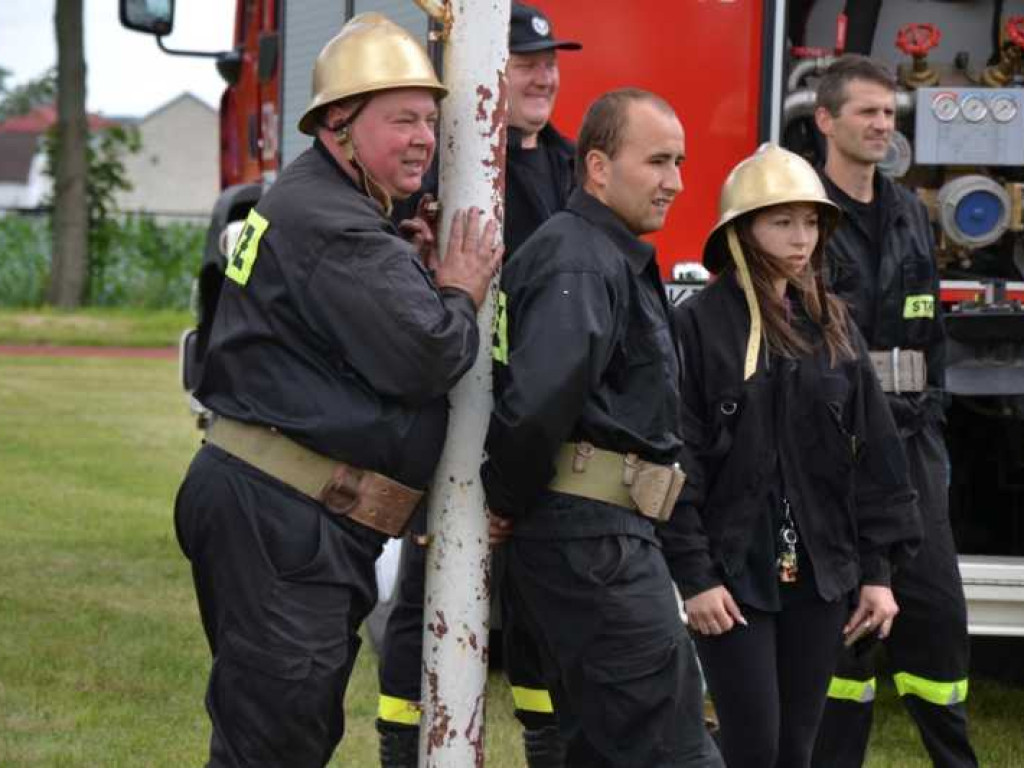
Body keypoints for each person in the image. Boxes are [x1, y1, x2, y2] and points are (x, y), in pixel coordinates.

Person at [173, 13, 501, 768]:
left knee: (282, 733)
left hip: (283, 516)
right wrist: (455, 291)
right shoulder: (334, 223)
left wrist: (409, 274)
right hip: (283, 522)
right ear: (339, 126)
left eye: (430, 118)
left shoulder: (329, 208)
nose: (424, 137)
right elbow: (427, 354)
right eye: (403, 120)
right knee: (274, 743)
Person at [481, 87, 722, 768]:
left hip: (597, 539)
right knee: (671, 749)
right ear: (596, 167)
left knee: (604, 747)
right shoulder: (580, 259)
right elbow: (538, 404)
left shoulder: (598, 253)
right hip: (593, 548)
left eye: (679, 162)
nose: (675, 182)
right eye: (656, 162)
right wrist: (502, 497)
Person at [667, 143, 922, 768]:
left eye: (810, 221)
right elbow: (678, 457)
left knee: (796, 752)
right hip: (733, 580)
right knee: (753, 747)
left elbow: (876, 457)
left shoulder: (832, 324)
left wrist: (877, 573)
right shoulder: (698, 326)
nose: (801, 237)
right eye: (782, 221)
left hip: (821, 576)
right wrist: (696, 576)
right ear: (741, 230)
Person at [376, 4, 579, 767]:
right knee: (427, 587)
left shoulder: (568, 165)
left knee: (537, 604)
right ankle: (405, 742)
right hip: (458, 405)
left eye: (551, 63)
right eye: (527, 63)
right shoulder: (449, 165)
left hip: (540, 417)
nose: (545, 76)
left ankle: (549, 744)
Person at [810, 54, 980, 768]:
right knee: (844, 633)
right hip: (833, 450)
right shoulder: (800, 211)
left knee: (937, 614)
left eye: (890, 114)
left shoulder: (911, 211)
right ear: (825, 121)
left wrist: (932, 422)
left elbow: (932, 334)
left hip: (910, 444)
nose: (884, 125)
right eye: (868, 113)